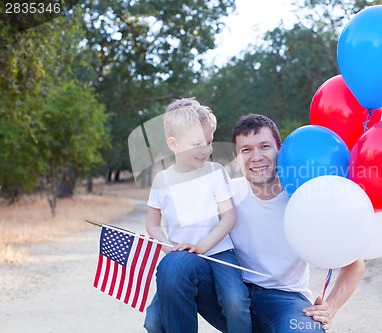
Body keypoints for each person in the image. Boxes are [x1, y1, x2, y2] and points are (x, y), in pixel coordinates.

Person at [144, 113, 365, 332]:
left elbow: (354, 263)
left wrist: (331, 306)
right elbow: (185, 239)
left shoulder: (303, 200)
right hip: (228, 293)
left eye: (265, 146)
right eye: (246, 150)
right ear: (236, 157)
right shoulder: (226, 193)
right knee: (175, 263)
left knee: (305, 330)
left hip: (284, 299)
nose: (256, 156)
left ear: (280, 150)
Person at [145, 98, 251, 333]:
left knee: (236, 302)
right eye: (197, 143)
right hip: (182, 255)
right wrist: (169, 248)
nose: (206, 149)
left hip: (219, 251)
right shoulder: (162, 180)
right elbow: (152, 224)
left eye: (209, 142)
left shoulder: (215, 172)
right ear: (174, 144)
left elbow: (229, 218)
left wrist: (202, 246)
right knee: (153, 321)